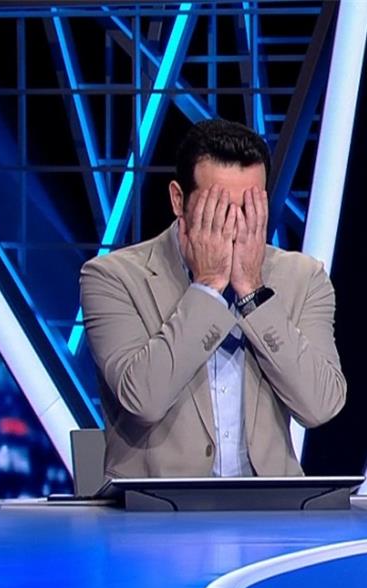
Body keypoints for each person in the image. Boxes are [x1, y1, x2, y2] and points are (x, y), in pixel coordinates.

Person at [80, 119, 346, 478]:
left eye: (249, 207)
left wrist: (253, 292)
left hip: (271, 506)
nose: (234, 224)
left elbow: (320, 406)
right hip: (158, 504)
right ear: (179, 200)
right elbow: (143, 400)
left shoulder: (303, 277)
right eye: (219, 207)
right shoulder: (113, 278)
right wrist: (207, 287)